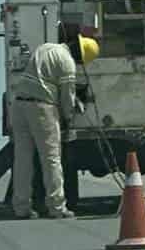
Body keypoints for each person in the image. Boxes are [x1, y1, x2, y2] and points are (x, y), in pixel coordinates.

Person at [10, 29, 98, 220]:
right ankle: (57, 207)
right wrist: (68, 120)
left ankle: (21, 207)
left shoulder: (46, 47)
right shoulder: (67, 64)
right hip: (41, 108)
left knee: (22, 159)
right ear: (79, 55)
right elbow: (66, 99)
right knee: (51, 159)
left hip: (19, 105)